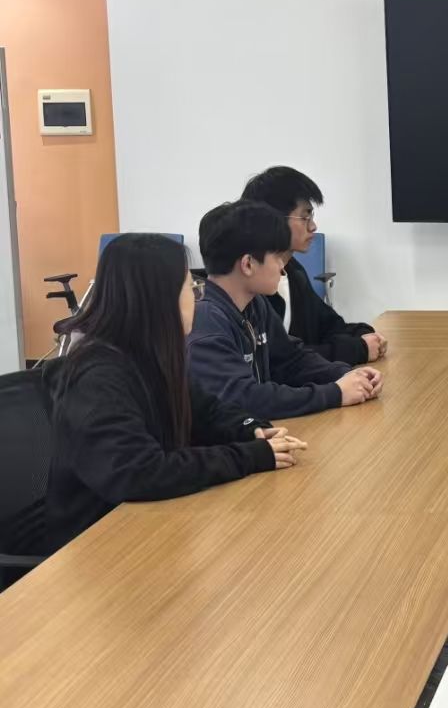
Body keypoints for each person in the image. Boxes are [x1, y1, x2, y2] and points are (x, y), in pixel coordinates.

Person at [44, 234, 307, 553]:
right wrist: (248, 457)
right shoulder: (98, 376)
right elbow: (139, 473)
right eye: (191, 288)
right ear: (159, 298)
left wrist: (251, 429)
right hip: (98, 543)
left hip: (152, 524)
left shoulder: (150, 355)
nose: (197, 299)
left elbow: (207, 411)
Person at [188, 200, 383, 419]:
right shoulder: (205, 319)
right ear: (248, 264)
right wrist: (335, 393)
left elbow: (291, 359)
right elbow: (244, 399)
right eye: (277, 257)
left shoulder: (255, 303)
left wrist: (346, 375)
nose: (283, 267)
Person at [241, 165, 387, 365]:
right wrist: (358, 349)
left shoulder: (293, 270)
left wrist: (364, 334)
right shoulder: (252, 283)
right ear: (273, 220)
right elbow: (280, 358)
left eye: (312, 216)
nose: (313, 226)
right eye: (304, 217)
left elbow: (329, 326)